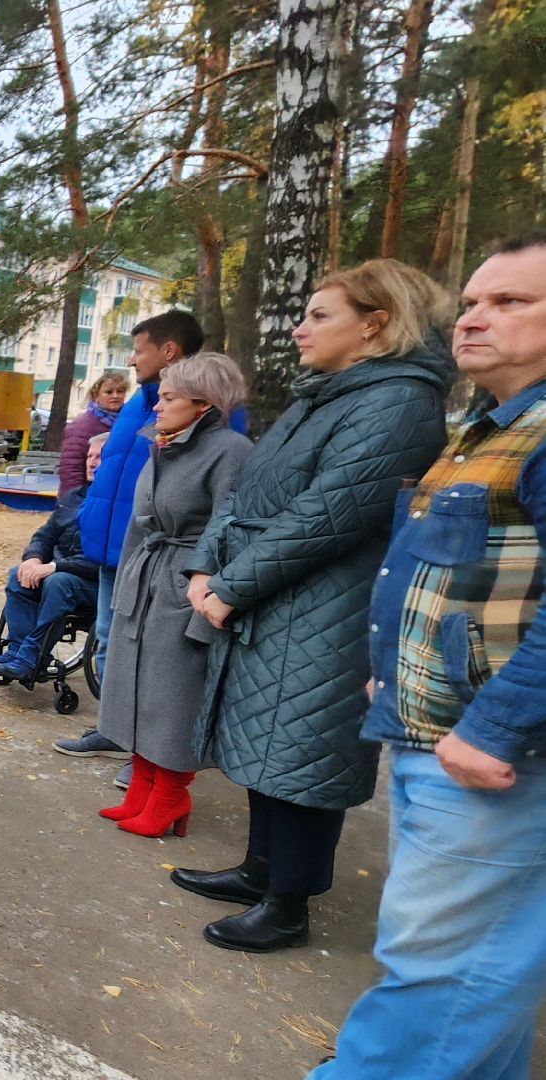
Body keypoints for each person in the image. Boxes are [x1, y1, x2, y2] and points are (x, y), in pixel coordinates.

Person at [309, 235, 546, 1079]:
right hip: (439, 737)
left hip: (490, 757)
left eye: (510, 302)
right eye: (472, 301)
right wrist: (396, 667)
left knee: (436, 975)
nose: (474, 317)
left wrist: (494, 727)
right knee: (482, 976)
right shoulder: (489, 430)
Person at [175, 259, 455, 954]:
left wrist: (232, 585)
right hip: (276, 599)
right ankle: (260, 869)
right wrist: (207, 564)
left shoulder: (398, 402)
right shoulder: (324, 396)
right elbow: (245, 493)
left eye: (320, 316)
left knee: (305, 750)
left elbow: (331, 515)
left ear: (375, 324)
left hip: (327, 608)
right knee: (268, 743)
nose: (301, 329)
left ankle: (288, 904)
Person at [54, 310, 243, 784]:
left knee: (162, 666)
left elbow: (222, 505)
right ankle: (117, 730)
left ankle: (148, 750)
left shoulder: (211, 419)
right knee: (111, 641)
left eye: (139, 350)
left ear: (169, 350)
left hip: (168, 555)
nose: (132, 360)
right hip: (121, 545)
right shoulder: (144, 401)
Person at [94, 352, 251, 839]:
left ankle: (169, 796)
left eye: (168, 397)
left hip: (188, 586)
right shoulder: (162, 444)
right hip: (147, 578)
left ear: (203, 404)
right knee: (136, 689)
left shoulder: (231, 451)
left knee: (174, 696)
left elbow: (231, 530)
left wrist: (206, 605)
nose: (157, 406)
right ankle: (142, 788)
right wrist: (125, 586)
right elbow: (141, 525)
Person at [0, 432, 105, 683]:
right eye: (89, 456)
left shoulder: (119, 506)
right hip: (60, 572)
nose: (92, 462)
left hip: (96, 583)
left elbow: (103, 559)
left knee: (58, 582)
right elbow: (45, 535)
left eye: (100, 457)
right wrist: (34, 558)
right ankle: (17, 651)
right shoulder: (74, 497)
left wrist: (55, 566)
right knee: (18, 574)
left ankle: (31, 657)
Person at [58, 372, 128, 495]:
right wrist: (75, 499)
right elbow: (71, 468)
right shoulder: (81, 426)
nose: (115, 396)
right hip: (85, 495)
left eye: (120, 391)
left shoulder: (126, 423)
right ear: (96, 395)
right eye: (109, 392)